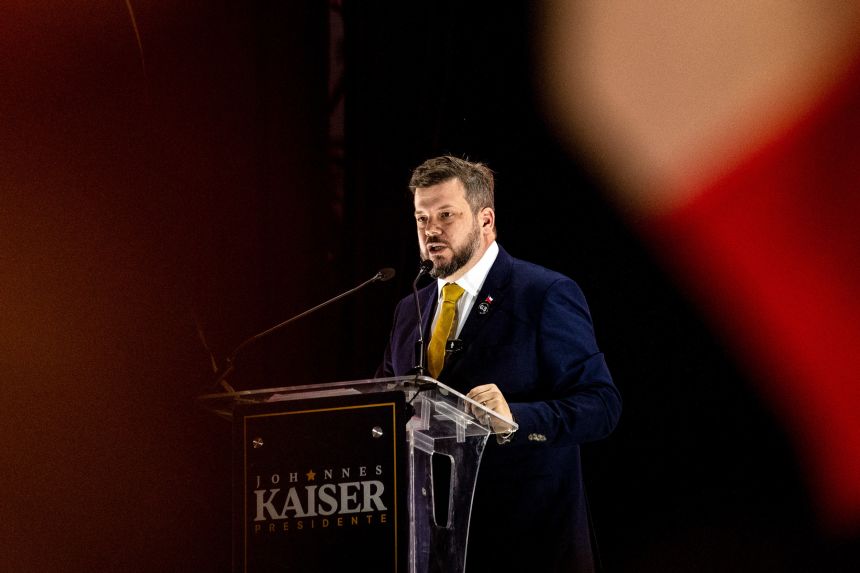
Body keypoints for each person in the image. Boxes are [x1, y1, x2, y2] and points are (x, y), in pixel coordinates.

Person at [377, 156, 622, 572]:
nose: (431, 230)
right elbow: (384, 406)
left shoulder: (544, 293)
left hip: (530, 545)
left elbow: (602, 405)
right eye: (421, 218)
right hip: (434, 549)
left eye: (446, 215)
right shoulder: (409, 309)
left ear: (485, 220)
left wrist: (517, 419)